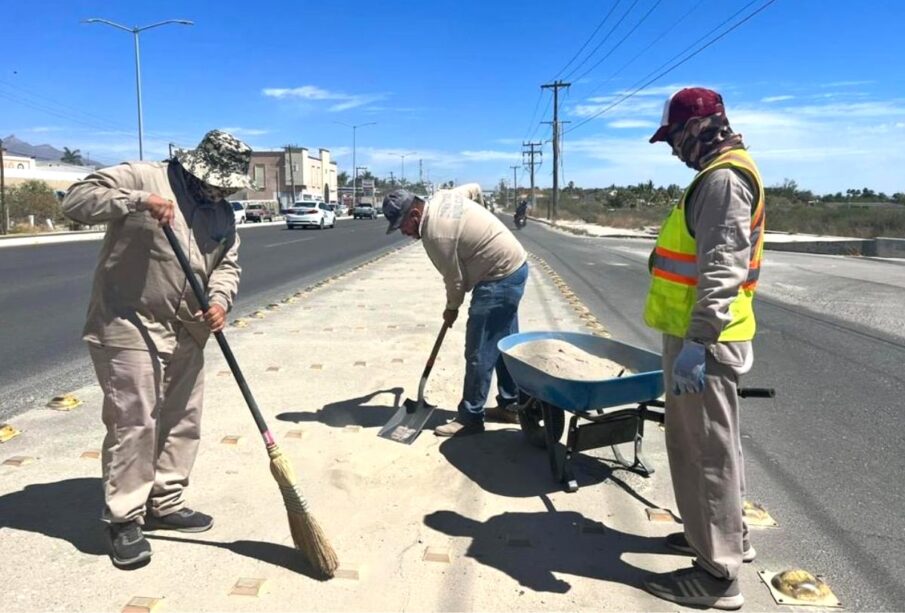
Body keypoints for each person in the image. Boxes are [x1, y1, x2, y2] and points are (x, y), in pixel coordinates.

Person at [62, 130, 254, 568]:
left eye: (225, 186)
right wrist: (135, 202)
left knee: (183, 418)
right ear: (194, 167)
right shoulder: (142, 177)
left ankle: (165, 501)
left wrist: (221, 300)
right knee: (135, 420)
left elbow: (227, 264)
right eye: (213, 182)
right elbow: (75, 200)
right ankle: (124, 517)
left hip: (188, 328)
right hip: (129, 321)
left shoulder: (222, 212)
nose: (217, 191)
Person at [640, 88, 765, 610]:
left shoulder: (722, 180)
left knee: (704, 453)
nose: (673, 149)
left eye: (674, 138)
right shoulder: (722, 173)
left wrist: (696, 343)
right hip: (705, 338)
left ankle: (717, 574)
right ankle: (720, 535)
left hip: (705, 344)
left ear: (698, 128)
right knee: (717, 447)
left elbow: (721, 270)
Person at [382, 187, 528, 436]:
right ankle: (511, 405)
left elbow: (455, 282)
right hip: (515, 266)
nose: (404, 233)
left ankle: (470, 417)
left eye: (403, 226)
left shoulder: (436, 236)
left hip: (497, 277)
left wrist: (451, 310)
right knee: (503, 345)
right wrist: (483, 219)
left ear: (415, 215)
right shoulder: (442, 196)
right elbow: (474, 188)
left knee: (479, 352)